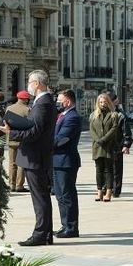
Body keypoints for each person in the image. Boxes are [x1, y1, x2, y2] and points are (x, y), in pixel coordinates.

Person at [0, 70, 57, 246]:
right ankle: (45, 234)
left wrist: (11, 132)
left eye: (30, 82)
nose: (29, 86)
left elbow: (35, 132)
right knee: (42, 197)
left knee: (40, 198)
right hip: (37, 156)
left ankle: (40, 234)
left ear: (38, 84)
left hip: (35, 157)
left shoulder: (42, 104)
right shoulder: (43, 102)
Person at [52, 89, 82, 238]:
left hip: (66, 161)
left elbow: (61, 139)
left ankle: (71, 227)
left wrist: (43, 144)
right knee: (60, 195)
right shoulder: (62, 115)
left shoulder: (72, 117)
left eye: (60, 100)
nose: (58, 103)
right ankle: (65, 225)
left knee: (67, 195)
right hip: (57, 161)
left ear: (68, 101)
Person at [89, 92, 121, 203]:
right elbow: (91, 129)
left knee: (108, 170)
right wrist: (97, 139)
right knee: (98, 170)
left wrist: (104, 139)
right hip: (97, 146)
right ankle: (99, 191)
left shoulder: (114, 115)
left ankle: (108, 191)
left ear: (108, 103)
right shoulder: (94, 115)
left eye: (105, 102)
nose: (103, 104)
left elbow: (114, 128)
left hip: (108, 146)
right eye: (101, 102)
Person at [7, 91, 31, 191]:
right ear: (25, 99)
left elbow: (6, 123)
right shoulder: (27, 110)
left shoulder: (9, 108)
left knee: (12, 163)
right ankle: (19, 185)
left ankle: (11, 184)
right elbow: (30, 125)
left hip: (11, 139)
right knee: (21, 163)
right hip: (22, 140)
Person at [111, 92, 131, 197]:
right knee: (105, 169)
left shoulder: (120, 115)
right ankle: (106, 187)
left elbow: (126, 130)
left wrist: (126, 144)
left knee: (116, 170)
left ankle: (116, 189)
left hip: (117, 145)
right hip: (105, 146)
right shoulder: (101, 113)